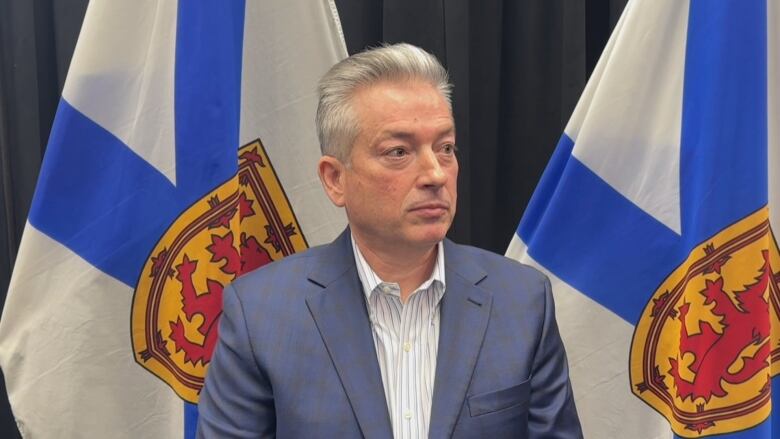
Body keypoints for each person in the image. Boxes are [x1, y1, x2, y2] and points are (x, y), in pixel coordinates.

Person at [197, 43, 582, 439]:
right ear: (335, 179)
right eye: (399, 151)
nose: (435, 174)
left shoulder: (522, 301)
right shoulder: (261, 315)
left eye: (445, 148)